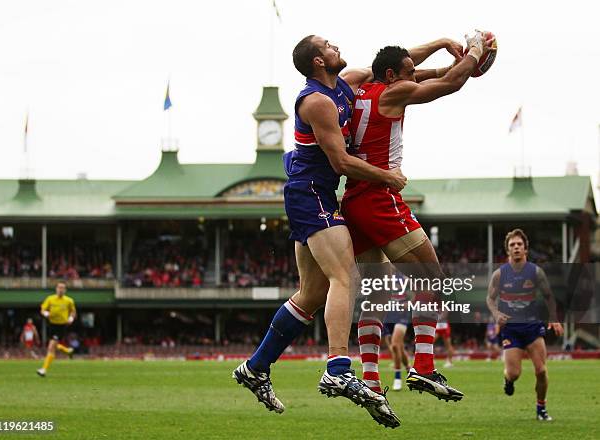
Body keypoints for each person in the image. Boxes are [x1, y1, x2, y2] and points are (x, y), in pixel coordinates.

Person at [233, 34, 462, 428]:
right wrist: (386, 177)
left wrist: (442, 48)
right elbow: (339, 162)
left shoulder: (347, 82)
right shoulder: (317, 101)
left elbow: (400, 70)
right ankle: (338, 367)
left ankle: (255, 367)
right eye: (328, 45)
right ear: (319, 62)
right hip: (312, 194)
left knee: (310, 295)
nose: (335, 45)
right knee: (346, 276)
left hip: (316, 195)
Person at [341, 32, 494, 401]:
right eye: (410, 71)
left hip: (353, 199)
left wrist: (443, 45)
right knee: (433, 280)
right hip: (380, 198)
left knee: (374, 295)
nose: (416, 74)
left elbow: (419, 71)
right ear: (392, 76)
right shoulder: (392, 94)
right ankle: (424, 367)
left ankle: (372, 382)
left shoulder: (361, 84)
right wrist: (473, 51)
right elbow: (449, 85)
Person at [487, 228, 564, 421]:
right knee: (514, 374)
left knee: (541, 370)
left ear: (525, 249)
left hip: (532, 327)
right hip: (511, 329)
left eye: (519, 244)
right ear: (507, 250)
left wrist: (553, 317)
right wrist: (496, 313)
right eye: (512, 245)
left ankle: (541, 409)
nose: (516, 248)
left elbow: (548, 296)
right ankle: (507, 379)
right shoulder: (499, 274)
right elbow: (490, 298)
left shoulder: (536, 272)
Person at [37, 281, 76, 377]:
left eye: (63, 288)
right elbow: (43, 309)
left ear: (65, 290)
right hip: (51, 324)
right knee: (54, 345)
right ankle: (68, 351)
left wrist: (71, 318)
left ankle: (44, 370)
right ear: (56, 289)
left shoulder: (69, 301)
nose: (61, 290)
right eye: (59, 287)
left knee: (51, 347)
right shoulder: (50, 299)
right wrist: (46, 313)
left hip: (61, 326)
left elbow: (73, 312)